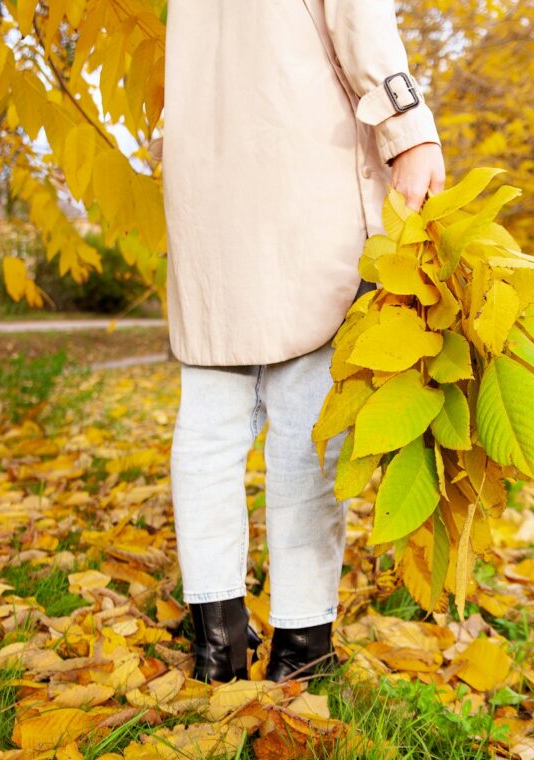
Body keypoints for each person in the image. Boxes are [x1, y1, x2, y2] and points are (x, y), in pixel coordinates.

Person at [158, 0, 446, 683]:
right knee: (307, 433)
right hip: (301, 177)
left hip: (207, 189)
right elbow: (359, 20)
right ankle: (302, 651)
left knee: (207, 430)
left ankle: (217, 647)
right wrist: (411, 131)